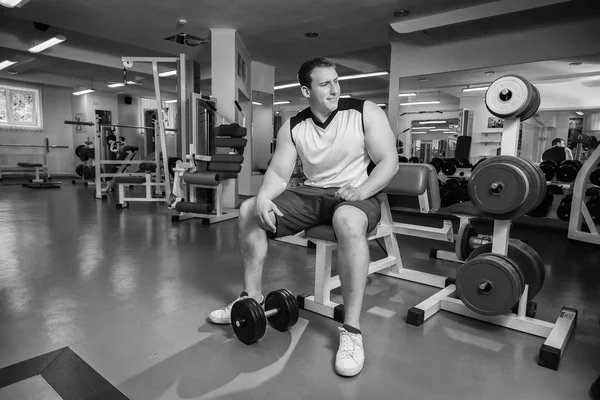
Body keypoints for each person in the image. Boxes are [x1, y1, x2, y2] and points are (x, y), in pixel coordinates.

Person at [208, 56, 398, 377]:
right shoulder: (294, 126)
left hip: (358, 190)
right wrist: (265, 197)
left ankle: (351, 331)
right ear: (306, 91)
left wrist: (362, 191)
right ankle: (250, 297)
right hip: (313, 192)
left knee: (347, 221)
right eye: (325, 84)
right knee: (248, 209)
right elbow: (280, 173)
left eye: (337, 81)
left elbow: (388, 161)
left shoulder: (364, 111)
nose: (335, 89)